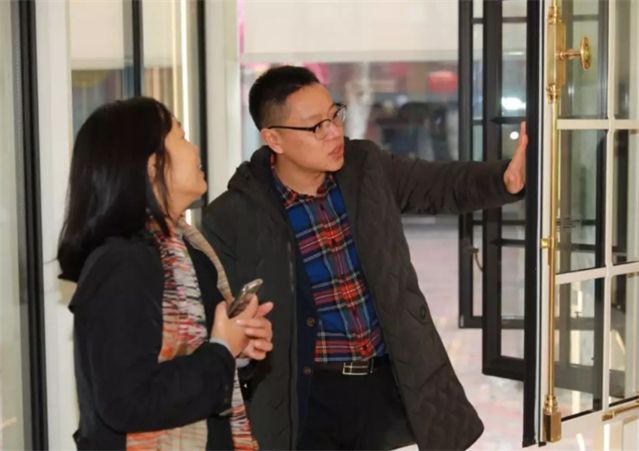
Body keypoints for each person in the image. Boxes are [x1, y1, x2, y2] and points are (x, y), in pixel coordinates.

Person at [202, 66, 527, 450]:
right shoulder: (233, 216)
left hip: (384, 385)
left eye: (334, 115)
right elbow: (223, 320)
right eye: (316, 126)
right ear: (274, 138)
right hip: (306, 399)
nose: (334, 133)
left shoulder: (366, 168)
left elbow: (439, 184)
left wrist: (504, 179)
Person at [58, 97, 274, 450]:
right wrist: (222, 350)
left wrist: (240, 348)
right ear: (153, 165)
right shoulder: (123, 262)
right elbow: (127, 402)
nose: (195, 148)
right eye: (182, 137)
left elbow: (190, 360)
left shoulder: (188, 249)